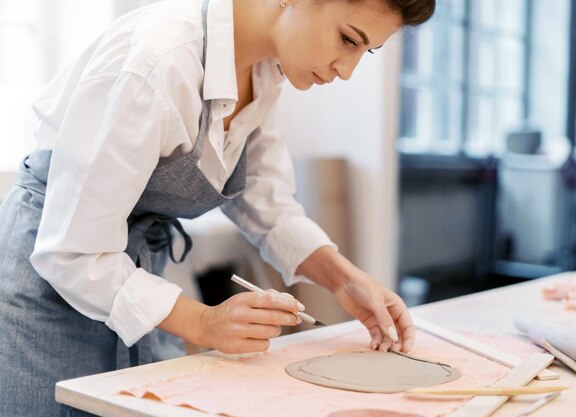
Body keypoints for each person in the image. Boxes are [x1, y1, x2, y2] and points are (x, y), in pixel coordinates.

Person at [0, 0, 435, 415]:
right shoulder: (158, 61)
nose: (347, 70)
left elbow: (266, 201)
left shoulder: (266, 70)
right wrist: (206, 324)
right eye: (347, 39)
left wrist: (344, 280)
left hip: (131, 271)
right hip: (50, 283)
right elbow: (73, 253)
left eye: (366, 50)